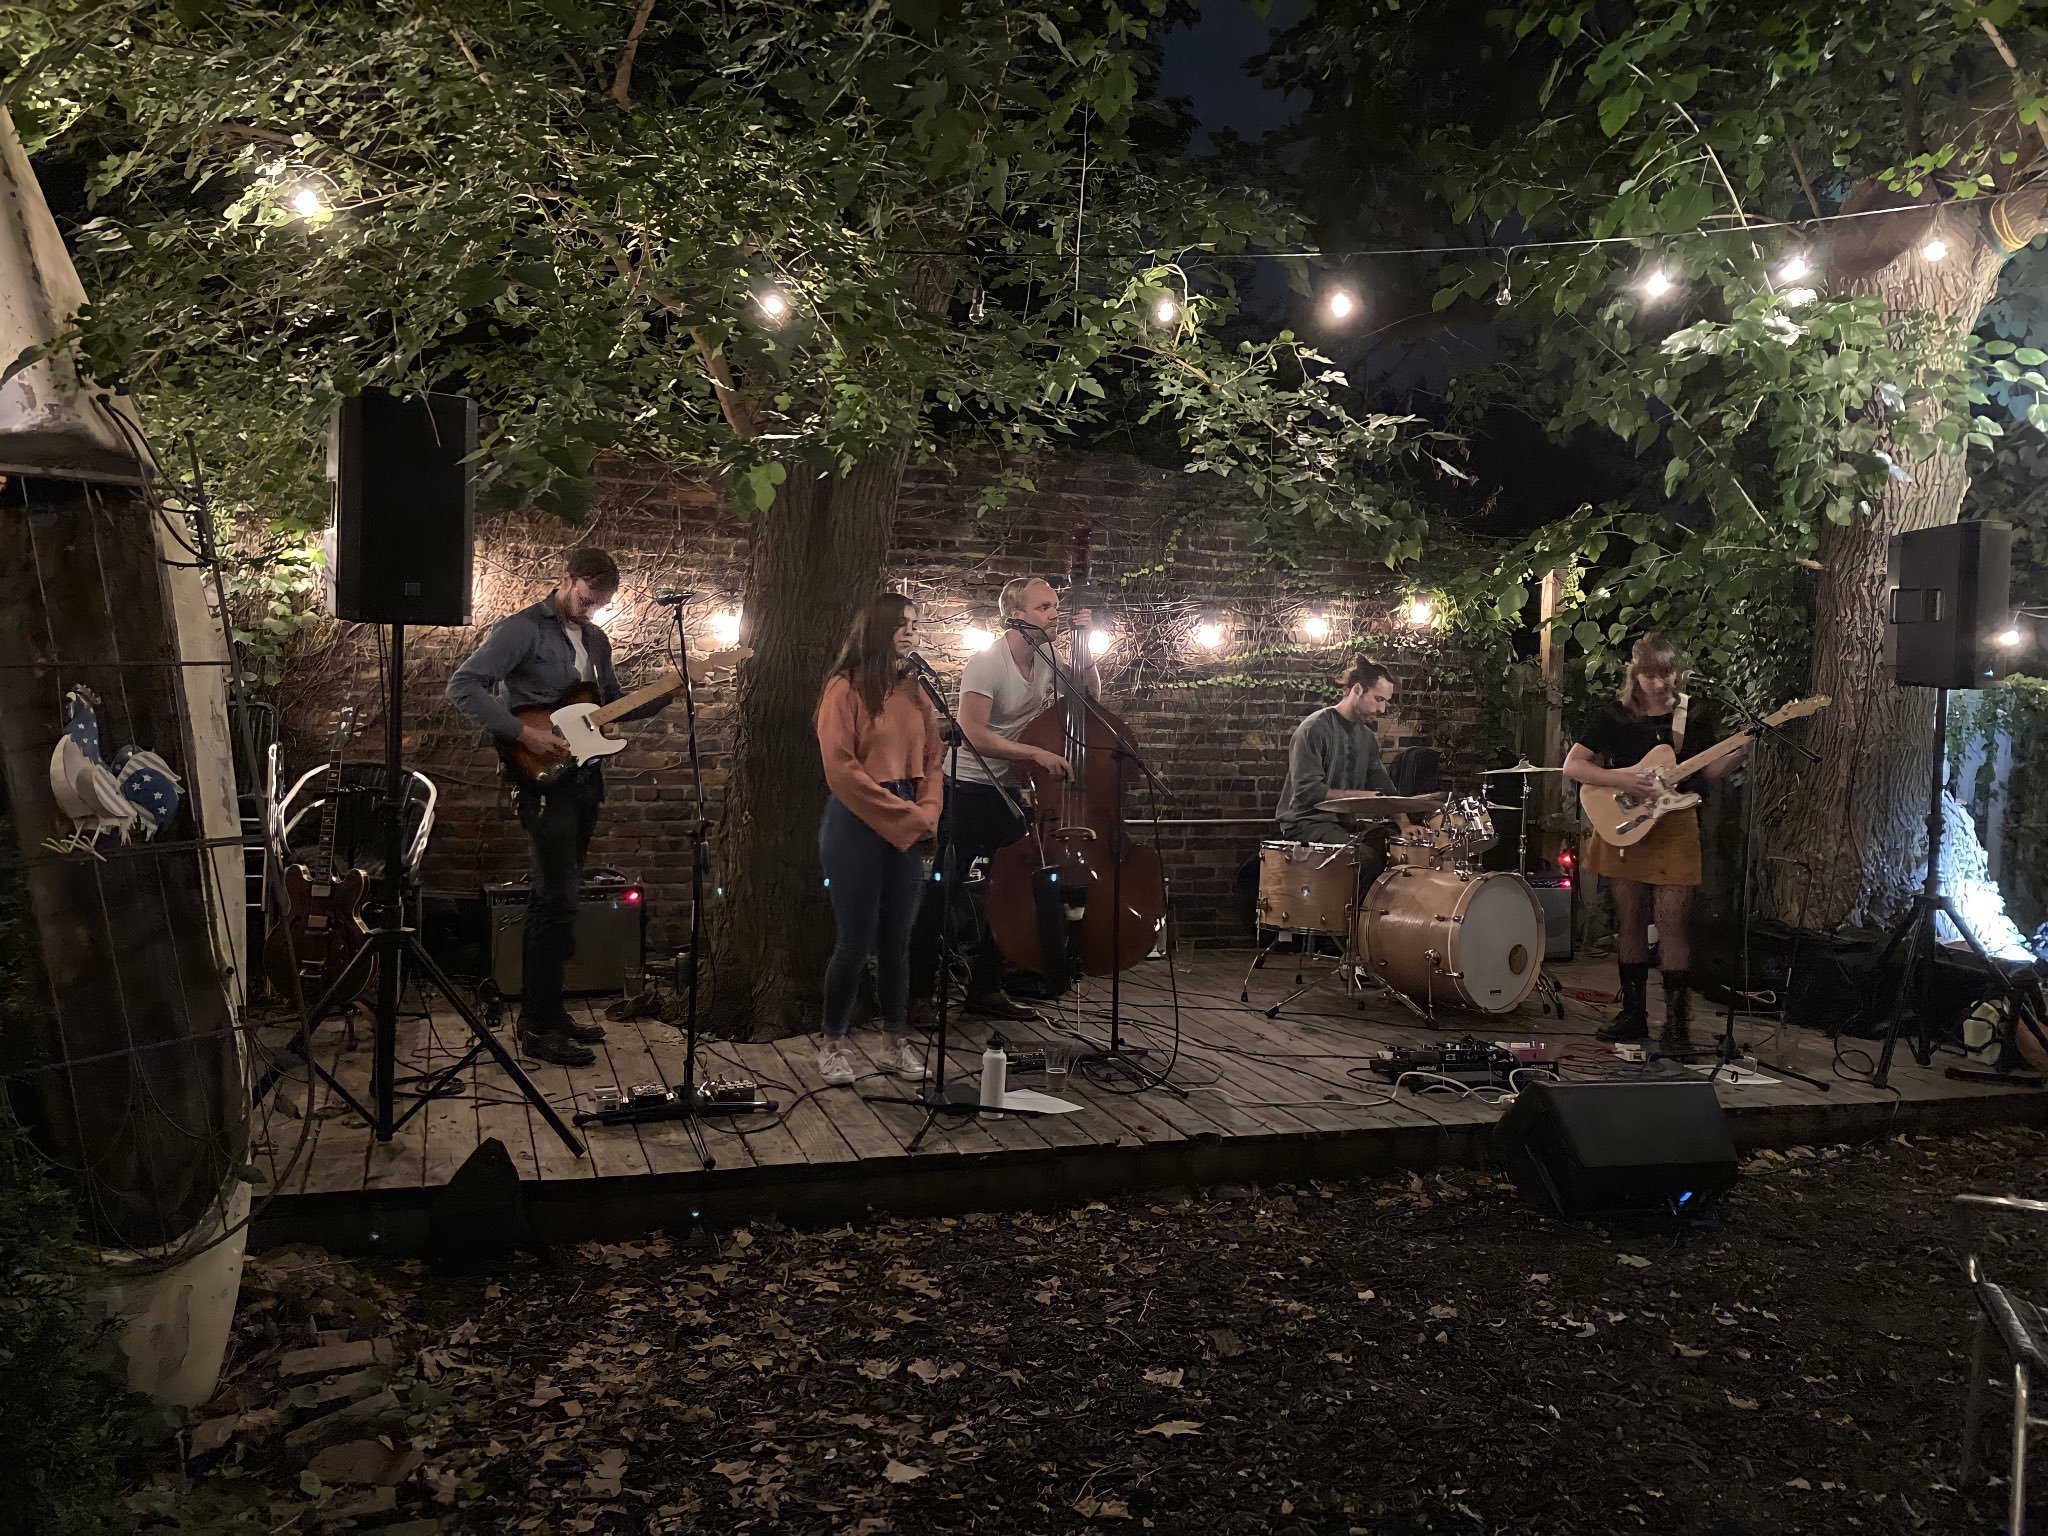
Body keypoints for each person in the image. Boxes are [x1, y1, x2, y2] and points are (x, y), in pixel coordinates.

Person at [446, 547, 669, 1067]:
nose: (592, 610)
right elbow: (464, 686)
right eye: (588, 599)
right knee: (555, 900)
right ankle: (536, 1025)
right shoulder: (521, 629)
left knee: (564, 902)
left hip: (585, 780)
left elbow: (610, 700)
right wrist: (524, 732)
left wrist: (670, 689)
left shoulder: (596, 639)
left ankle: (552, 1010)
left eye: (601, 603)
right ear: (566, 581)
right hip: (542, 782)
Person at [1562, 632, 1747, 1047]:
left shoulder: (1693, 714)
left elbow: (1701, 776)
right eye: (1649, 675)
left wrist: (1737, 753)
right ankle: (1633, 1015)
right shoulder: (1614, 714)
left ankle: (1677, 1025)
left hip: (1675, 826)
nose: (1658, 683)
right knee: (1630, 922)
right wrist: (1622, 778)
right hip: (1625, 825)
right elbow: (1574, 766)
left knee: (1671, 925)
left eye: (1665, 674)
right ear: (1635, 673)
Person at [942, 575, 1098, 1019]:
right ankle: (918, 990)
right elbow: (972, 732)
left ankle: (987, 988)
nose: (1055, 614)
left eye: (1055, 606)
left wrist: (1085, 649)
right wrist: (1032, 751)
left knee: (1015, 887)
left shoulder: (1049, 656)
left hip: (1010, 787)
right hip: (968, 786)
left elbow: (1086, 701)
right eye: (1044, 608)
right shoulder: (987, 662)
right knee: (945, 887)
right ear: (1016, 616)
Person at [814, 593, 943, 1086]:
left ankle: (895, 1041)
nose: (911, 631)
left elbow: (932, 761)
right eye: (901, 623)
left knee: (897, 942)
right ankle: (833, 1043)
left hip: (909, 812)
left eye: (915, 622)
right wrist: (909, 821)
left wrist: (927, 813)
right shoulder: (843, 689)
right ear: (876, 628)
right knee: (854, 940)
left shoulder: (915, 691)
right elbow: (841, 771)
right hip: (856, 821)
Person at [1273, 658, 1402, 882]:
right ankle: (1352, 917)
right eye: (1379, 699)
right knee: (1363, 858)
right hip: (1307, 823)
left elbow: (1384, 787)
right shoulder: (1315, 728)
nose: (1382, 709)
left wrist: (1405, 824)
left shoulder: (1366, 738)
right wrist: (1362, 797)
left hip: (1342, 823)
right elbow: (1309, 792)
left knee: (1395, 846)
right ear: (1358, 689)